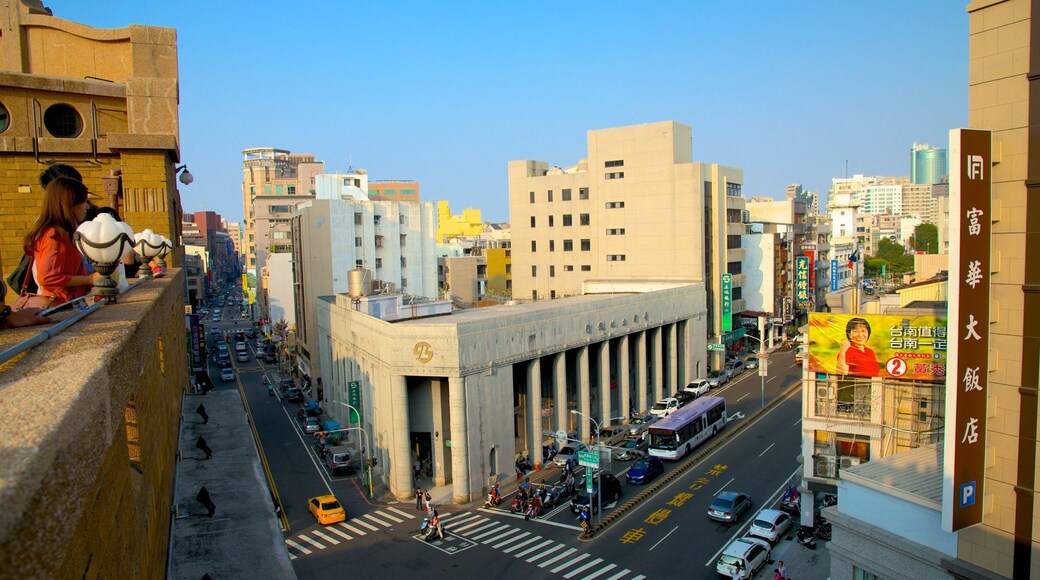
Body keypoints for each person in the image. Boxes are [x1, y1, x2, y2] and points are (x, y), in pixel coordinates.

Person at [23, 177, 99, 303]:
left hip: (68, 302)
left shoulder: (62, 232)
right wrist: (88, 279)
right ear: (70, 203)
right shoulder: (54, 234)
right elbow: (48, 277)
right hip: (59, 304)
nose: (87, 206)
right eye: (83, 201)